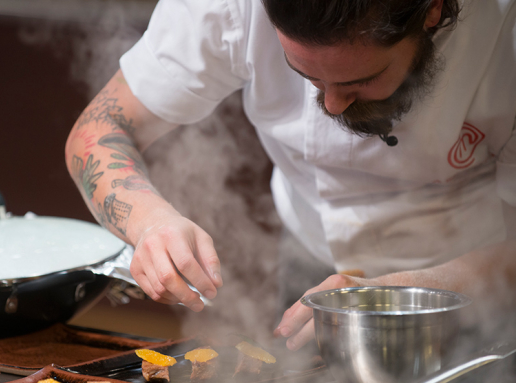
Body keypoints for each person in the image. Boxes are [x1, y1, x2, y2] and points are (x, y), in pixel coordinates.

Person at [65, 0, 516, 350]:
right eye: (307, 77)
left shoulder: (505, 37)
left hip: (478, 277)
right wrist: (149, 222)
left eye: (360, 80)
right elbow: (100, 129)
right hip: (311, 256)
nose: (333, 105)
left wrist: (413, 293)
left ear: (432, 11)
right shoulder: (228, 9)